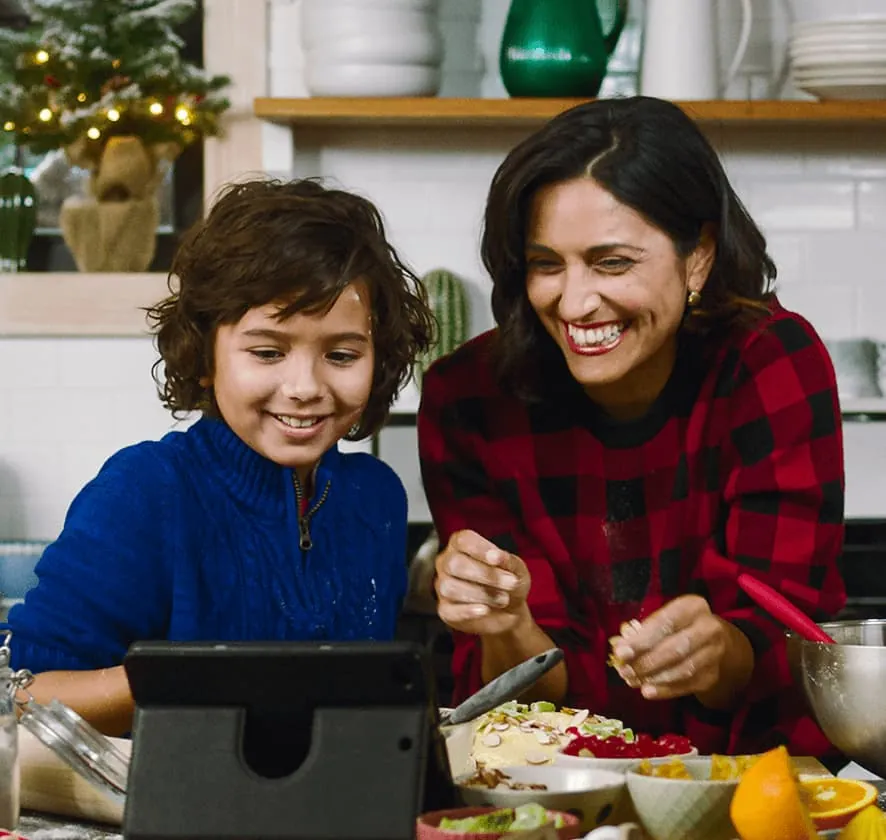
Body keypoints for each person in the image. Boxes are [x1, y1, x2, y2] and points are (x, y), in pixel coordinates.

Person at [418, 97, 846, 758]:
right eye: (546, 264)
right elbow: (533, 682)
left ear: (698, 256)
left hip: (749, 781)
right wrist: (507, 625)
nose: (576, 301)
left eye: (612, 262)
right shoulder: (467, 397)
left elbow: (785, 643)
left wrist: (722, 651)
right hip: (553, 776)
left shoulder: (771, 363)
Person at [5, 178, 434, 736]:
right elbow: (21, 692)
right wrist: (198, 681)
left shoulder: (375, 495)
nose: (304, 386)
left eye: (341, 353)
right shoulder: (145, 490)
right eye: (267, 351)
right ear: (205, 354)